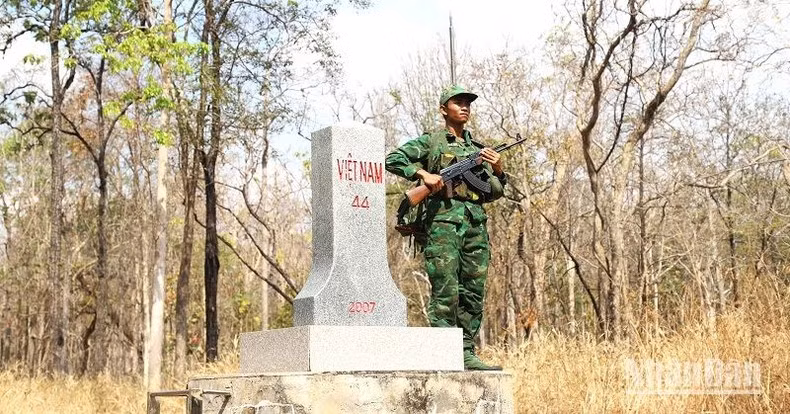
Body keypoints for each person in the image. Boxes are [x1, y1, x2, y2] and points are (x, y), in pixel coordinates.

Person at [385, 85, 507, 370]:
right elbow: (393, 159)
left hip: (475, 223)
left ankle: (466, 352)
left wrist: (499, 168)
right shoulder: (431, 142)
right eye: (458, 102)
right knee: (447, 290)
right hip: (442, 223)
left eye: (468, 103)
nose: (464, 107)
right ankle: (442, 352)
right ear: (444, 109)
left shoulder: (478, 150)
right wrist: (423, 174)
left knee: (473, 291)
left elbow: (495, 191)